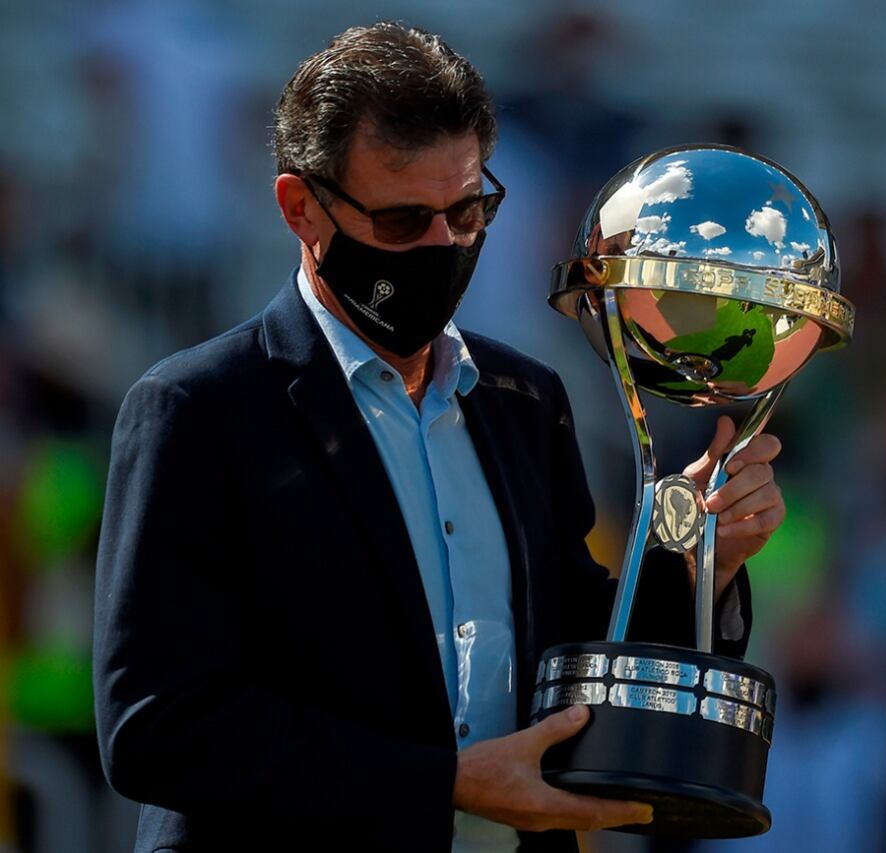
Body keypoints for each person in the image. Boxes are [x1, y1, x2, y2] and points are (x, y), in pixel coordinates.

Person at [92, 22, 786, 853]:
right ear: (299, 207)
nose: (444, 245)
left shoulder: (526, 399)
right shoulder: (195, 408)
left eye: (468, 211)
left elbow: (576, 658)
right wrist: (443, 782)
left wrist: (704, 563)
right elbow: (155, 727)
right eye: (402, 220)